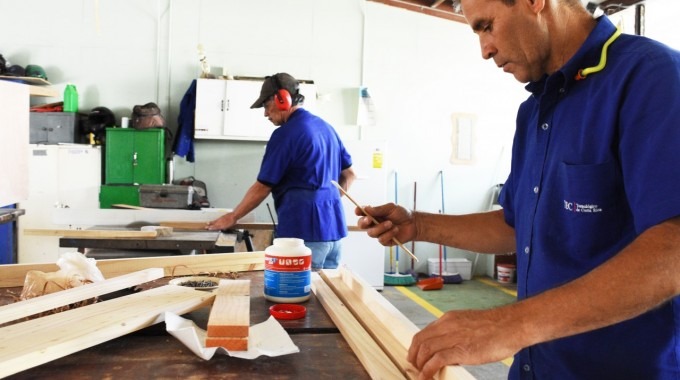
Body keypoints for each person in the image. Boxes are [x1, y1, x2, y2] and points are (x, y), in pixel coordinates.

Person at [357, 0, 680, 379]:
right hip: (535, 369)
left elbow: (672, 250)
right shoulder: (536, 110)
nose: (484, 50)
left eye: (486, 26)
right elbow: (515, 225)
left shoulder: (652, 79)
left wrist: (509, 325)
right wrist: (418, 226)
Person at [206, 73, 356, 270]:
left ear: (282, 99)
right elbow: (350, 174)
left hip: (303, 237)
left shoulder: (286, 134)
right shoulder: (326, 128)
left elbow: (263, 187)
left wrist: (232, 217)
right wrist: (326, 204)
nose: (265, 114)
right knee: (326, 294)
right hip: (333, 232)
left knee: (295, 294)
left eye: (267, 106)